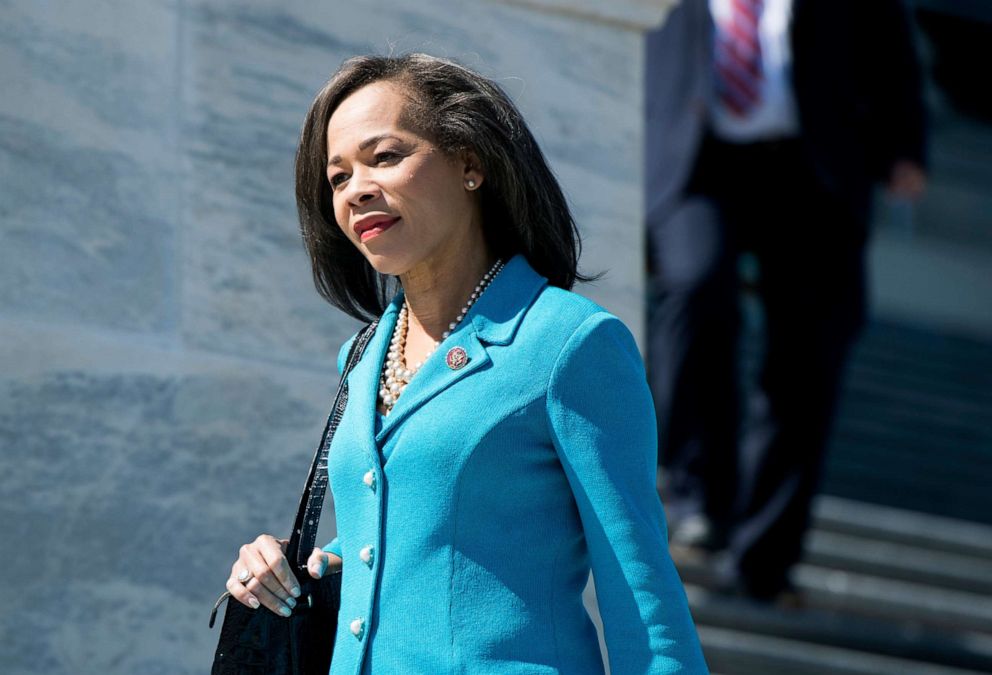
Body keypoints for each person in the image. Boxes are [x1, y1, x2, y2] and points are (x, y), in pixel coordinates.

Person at [224, 54, 709, 674]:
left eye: (386, 156)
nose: (357, 189)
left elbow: (643, 600)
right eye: (338, 176)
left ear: (470, 163)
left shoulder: (570, 343)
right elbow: (420, 534)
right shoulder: (362, 354)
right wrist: (297, 566)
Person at [644, 0, 928, 602]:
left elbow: (891, 46)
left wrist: (905, 145)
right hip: (699, 158)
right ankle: (696, 497)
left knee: (808, 357)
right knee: (695, 290)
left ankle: (765, 557)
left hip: (813, 166)